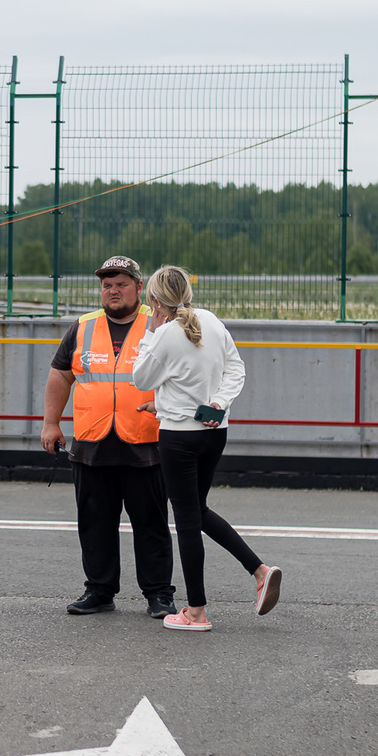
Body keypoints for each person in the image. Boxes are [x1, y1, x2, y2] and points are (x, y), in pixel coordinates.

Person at [130, 264, 282, 631]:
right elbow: (235, 370)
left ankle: (196, 611)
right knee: (197, 510)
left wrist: (149, 333)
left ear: (155, 301)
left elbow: (141, 378)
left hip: (178, 437)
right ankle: (259, 571)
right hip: (214, 431)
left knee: (186, 521)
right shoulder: (212, 321)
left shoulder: (165, 334)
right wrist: (218, 403)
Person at [40, 256, 177, 618]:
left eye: (121, 284)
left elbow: (183, 372)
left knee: (151, 524)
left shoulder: (160, 324)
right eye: (107, 285)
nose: (113, 291)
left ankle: (159, 594)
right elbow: (60, 375)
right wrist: (51, 423)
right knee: (95, 524)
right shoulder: (83, 327)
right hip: (92, 443)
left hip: (146, 442)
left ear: (139, 287)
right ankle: (99, 591)